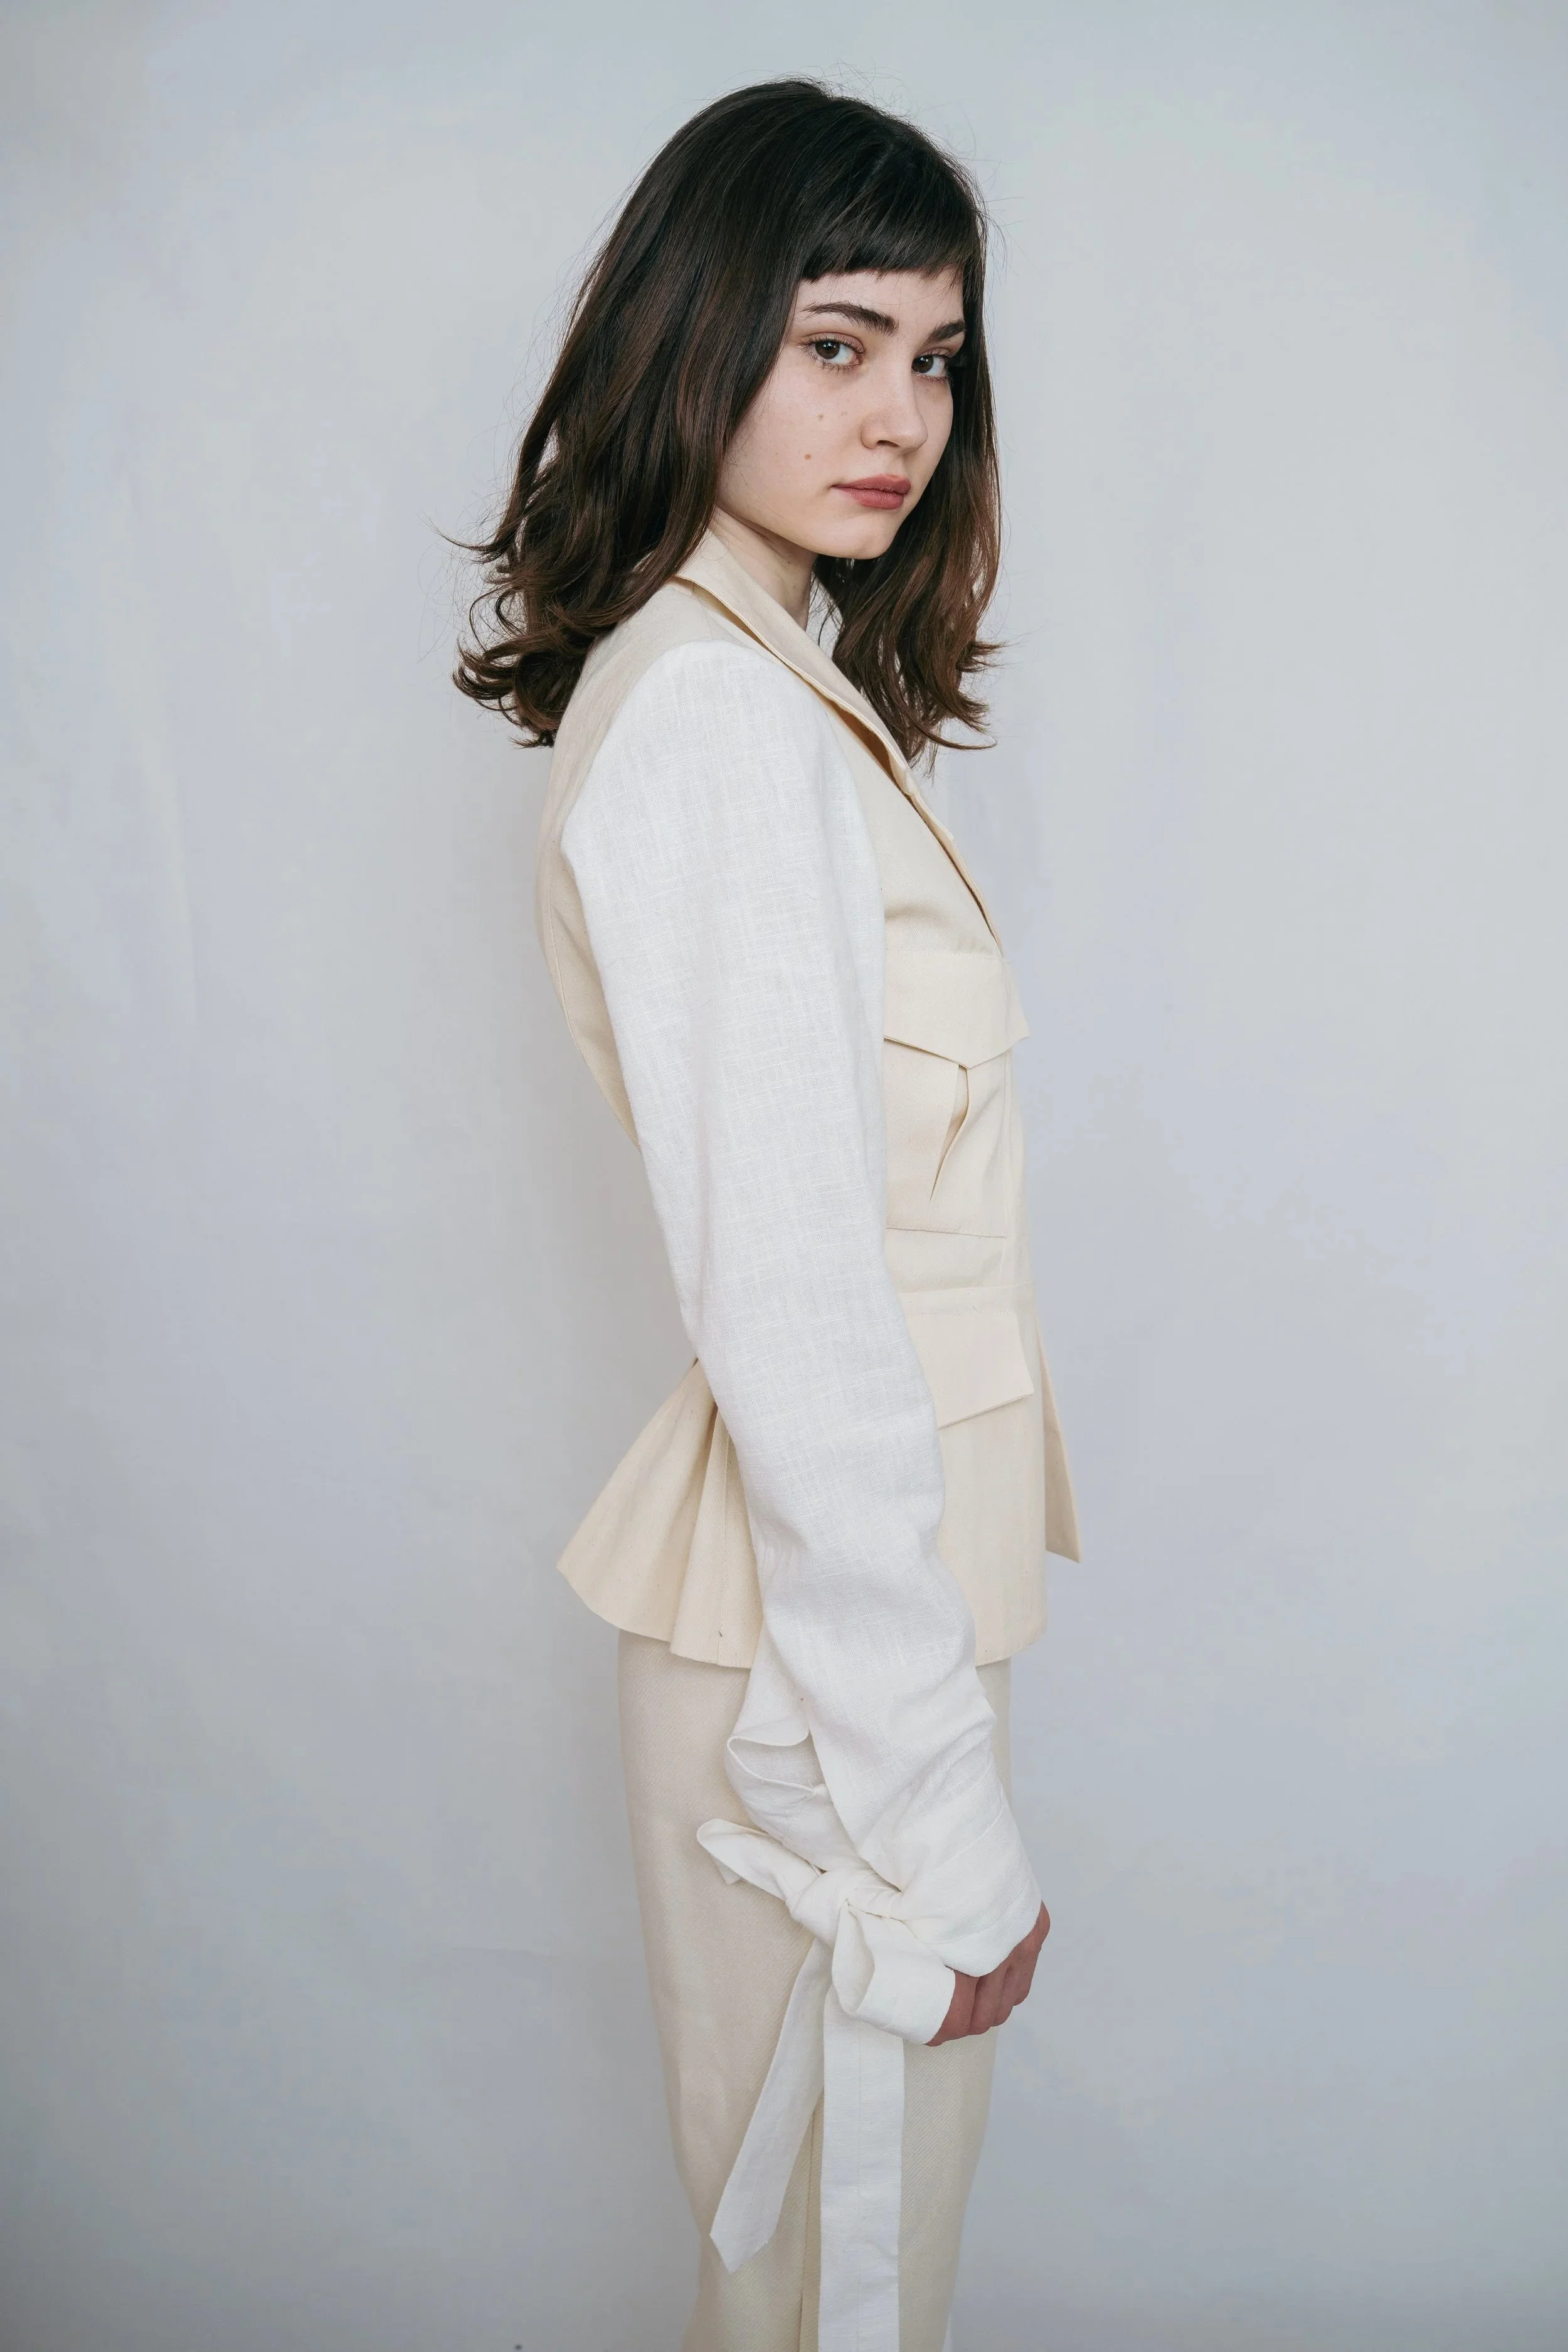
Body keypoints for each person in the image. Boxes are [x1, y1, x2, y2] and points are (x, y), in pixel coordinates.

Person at [457, 78, 1081, 2352]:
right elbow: (797, 1298)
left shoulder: (771, 680)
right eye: (833, 340)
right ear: (695, 331)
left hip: (845, 1616)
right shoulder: (719, 721)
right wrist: (939, 1803)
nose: (899, 408)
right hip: (823, 1664)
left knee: (833, 2284)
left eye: (934, 352)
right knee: (831, 2296)